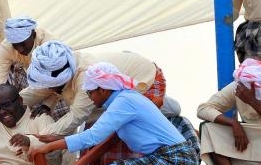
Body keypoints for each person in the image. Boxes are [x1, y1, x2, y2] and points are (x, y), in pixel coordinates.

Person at [30, 63, 198, 165]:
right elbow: (97, 135)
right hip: (175, 158)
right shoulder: (124, 99)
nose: (89, 97)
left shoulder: (123, 101)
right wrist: (58, 139)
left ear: (103, 90)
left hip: (174, 159)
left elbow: (93, 136)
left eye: (90, 92)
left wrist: (49, 147)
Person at [20, 41, 164, 137]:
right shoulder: (63, 66)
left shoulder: (86, 77)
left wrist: (36, 137)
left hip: (146, 82)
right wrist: (3, 105)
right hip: (113, 96)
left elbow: (77, 117)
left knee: (126, 137)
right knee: (95, 138)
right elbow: (38, 91)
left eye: (50, 85)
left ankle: (165, 107)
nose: (47, 89)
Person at [0, 15, 66, 134]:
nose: (20, 49)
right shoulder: (6, 47)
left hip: (60, 83)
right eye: (15, 45)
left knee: (61, 123)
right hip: (34, 82)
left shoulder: (51, 45)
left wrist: (48, 104)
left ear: (33, 35)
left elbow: (59, 80)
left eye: (23, 44)